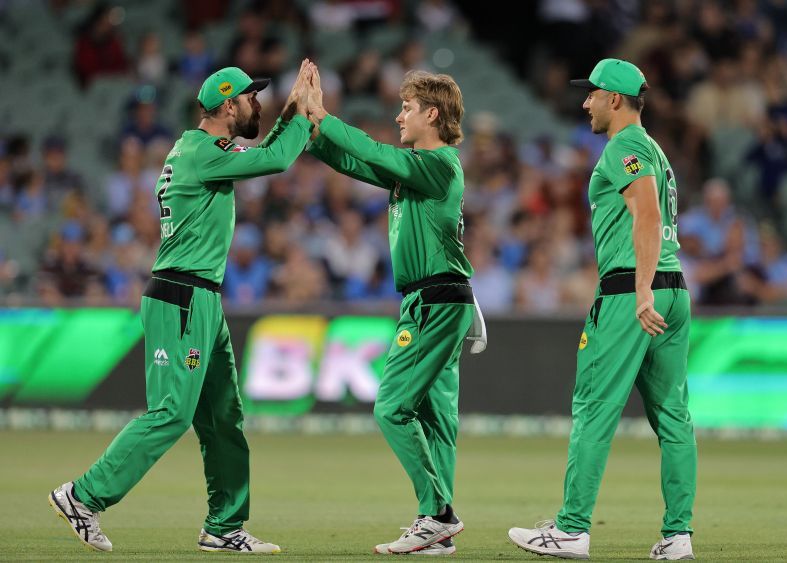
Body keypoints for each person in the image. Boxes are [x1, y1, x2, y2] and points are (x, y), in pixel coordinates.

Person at [48, 61, 316, 554]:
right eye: (250, 98)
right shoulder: (204, 152)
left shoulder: (197, 150)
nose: (256, 104)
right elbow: (275, 160)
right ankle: (82, 496)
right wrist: (301, 112)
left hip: (201, 300)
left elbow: (262, 152)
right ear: (228, 104)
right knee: (172, 412)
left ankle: (224, 525)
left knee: (223, 416)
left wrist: (291, 114)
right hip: (182, 298)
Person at [508, 59, 696, 561]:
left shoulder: (624, 146)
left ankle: (570, 529)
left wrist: (639, 290)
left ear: (615, 99)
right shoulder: (655, 149)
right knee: (674, 418)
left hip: (630, 294)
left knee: (594, 408)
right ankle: (678, 537)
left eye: (590, 94)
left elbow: (648, 212)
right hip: (675, 287)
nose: (584, 102)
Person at [305, 64, 486, 555]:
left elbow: (372, 151)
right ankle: (438, 533)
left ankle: (437, 514)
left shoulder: (439, 165)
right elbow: (358, 165)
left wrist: (324, 114)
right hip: (442, 298)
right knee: (436, 419)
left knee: (390, 408)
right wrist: (312, 132)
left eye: (407, 108)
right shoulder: (420, 171)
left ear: (431, 113)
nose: (398, 114)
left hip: (435, 301)